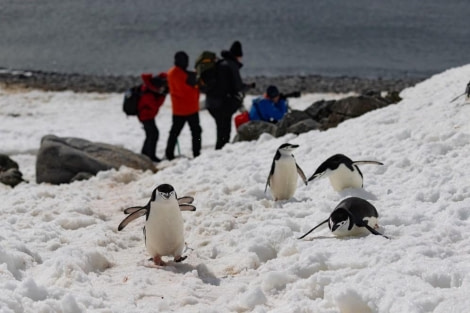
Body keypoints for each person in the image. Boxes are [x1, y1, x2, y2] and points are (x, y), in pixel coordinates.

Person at [205, 40, 255, 150]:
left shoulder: (220, 63)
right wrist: (249, 86)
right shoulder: (231, 65)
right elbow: (238, 87)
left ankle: (220, 150)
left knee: (221, 128)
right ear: (238, 56)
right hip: (221, 104)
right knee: (224, 129)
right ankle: (221, 151)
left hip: (210, 102)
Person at [165, 51, 202, 160]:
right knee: (196, 132)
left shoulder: (171, 72)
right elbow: (194, 81)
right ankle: (196, 152)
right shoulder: (184, 75)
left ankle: (169, 153)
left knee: (174, 133)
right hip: (191, 108)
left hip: (178, 109)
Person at [138, 72, 168, 162]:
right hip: (146, 116)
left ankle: (145, 154)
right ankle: (151, 156)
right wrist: (163, 95)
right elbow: (155, 105)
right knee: (154, 134)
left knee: (150, 134)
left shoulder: (148, 89)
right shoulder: (148, 93)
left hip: (147, 115)